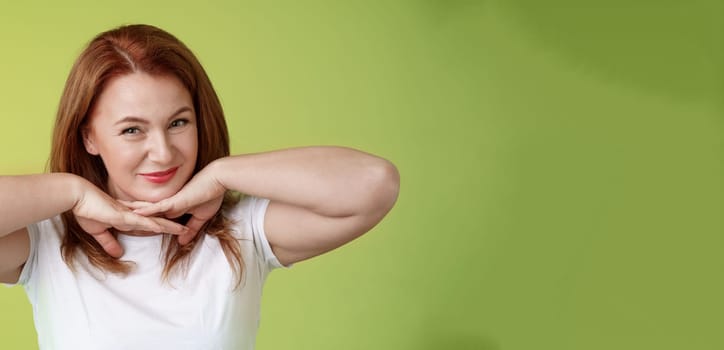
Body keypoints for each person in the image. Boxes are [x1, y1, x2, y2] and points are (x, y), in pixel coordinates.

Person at [0, 24, 399, 349]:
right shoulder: (47, 238)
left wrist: (222, 174)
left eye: (178, 123)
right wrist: (72, 191)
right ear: (89, 138)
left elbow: (374, 183)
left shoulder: (242, 232)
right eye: (132, 129)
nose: (162, 152)